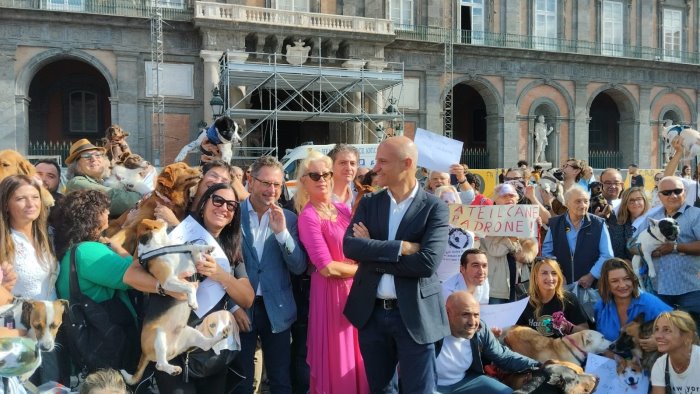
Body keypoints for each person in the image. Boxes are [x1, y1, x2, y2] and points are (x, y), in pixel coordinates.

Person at [343, 136, 449, 393]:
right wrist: (400, 247)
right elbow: (350, 247)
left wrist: (374, 255)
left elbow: (426, 263)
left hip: (415, 316)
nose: (375, 168)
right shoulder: (369, 203)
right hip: (372, 314)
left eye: (382, 161)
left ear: (407, 164)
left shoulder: (435, 207)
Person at [133, 183, 255, 393]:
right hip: (173, 345)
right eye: (218, 200)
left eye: (231, 205)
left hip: (212, 351)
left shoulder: (231, 248)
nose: (224, 208)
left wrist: (221, 275)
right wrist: (164, 287)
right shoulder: (172, 234)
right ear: (203, 203)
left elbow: (247, 298)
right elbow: (131, 275)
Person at [54, 190, 155, 372]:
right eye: (104, 210)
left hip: (94, 340)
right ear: (92, 216)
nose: (108, 213)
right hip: (107, 339)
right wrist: (118, 248)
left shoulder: (72, 250)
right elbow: (132, 275)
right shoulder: (88, 251)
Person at [232, 156, 307, 394]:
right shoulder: (231, 214)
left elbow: (298, 267)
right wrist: (232, 306)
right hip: (241, 308)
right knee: (241, 380)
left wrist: (282, 233)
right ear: (250, 181)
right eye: (265, 183)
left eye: (276, 184)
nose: (271, 190)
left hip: (278, 308)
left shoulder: (290, 219)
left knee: (280, 380)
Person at [295, 151, 368, 394]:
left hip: (355, 291)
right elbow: (326, 267)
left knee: (360, 357)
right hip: (331, 295)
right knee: (339, 359)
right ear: (303, 181)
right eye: (315, 175)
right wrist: (363, 270)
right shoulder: (308, 216)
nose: (322, 179)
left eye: (326, 173)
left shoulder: (341, 208)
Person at [0, 175, 61, 384]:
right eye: (20, 199)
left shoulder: (47, 235)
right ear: (6, 205)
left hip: (47, 332)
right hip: (17, 331)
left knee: (50, 384)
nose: (31, 204)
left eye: (35, 197)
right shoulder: (4, 242)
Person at [632, 176, 700, 332]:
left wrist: (676, 247)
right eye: (667, 192)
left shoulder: (696, 215)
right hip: (658, 290)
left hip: (690, 289)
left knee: (693, 338)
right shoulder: (652, 218)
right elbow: (632, 246)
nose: (673, 196)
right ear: (659, 195)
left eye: (677, 191)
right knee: (661, 338)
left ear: (685, 192)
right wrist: (648, 251)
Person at [436, 291, 539, 393]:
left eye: (476, 315)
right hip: (432, 386)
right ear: (447, 313)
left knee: (505, 392)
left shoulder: (480, 329)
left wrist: (540, 365)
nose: (472, 322)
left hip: (465, 381)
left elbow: (504, 356)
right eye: (465, 314)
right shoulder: (428, 334)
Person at [541, 186, 614, 287]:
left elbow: (607, 255)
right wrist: (557, 273)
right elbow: (547, 252)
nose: (583, 205)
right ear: (566, 204)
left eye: (586, 201)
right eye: (578, 201)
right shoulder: (555, 224)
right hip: (560, 284)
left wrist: (591, 276)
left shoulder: (598, 224)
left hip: (591, 286)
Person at [595, 258, 672, 343]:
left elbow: (680, 328)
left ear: (633, 279)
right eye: (615, 281)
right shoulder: (601, 306)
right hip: (610, 355)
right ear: (607, 284)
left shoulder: (649, 303)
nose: (622, 285)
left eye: (626, 278)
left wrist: (658, 342)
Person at [64, 139, 143, 217]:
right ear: (76, 166)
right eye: (86, 156)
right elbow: (120, 200)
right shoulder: (76, 183)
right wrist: (145, 196)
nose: (94, 159)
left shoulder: (106, 180)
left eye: (98, 155)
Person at [479, 183, 530, 304]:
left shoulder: (525, 218)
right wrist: (511, 240)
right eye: (504, 196)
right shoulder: (487, 219)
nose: (509, 198)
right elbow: (495, 250)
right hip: (497, 284)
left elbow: (530, 248)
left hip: (520, 279)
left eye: (512, 195)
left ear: (517, 200)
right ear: (496, 200)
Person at [516, 258, 588, 337]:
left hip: (562, 348)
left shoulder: (569, 299)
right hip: (533, 348)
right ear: (535, 277)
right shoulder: (524, 301)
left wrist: (569, 327)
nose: (550, 278)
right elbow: (514, 331)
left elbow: (586, 331)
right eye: (544, 273)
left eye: (554, 273)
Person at [650, 311, 700, 393]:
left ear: (688, 336)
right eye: (657, 329)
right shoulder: (660, 365)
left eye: (667, 330)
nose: (658, 336)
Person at [608, 187, 649, 262]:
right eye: (631, 200)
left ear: (644, 200)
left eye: (639, 199)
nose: (636, 203)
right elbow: (617, 247)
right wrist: (625, 262)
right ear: (625, 203)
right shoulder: (619, 221)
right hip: (627, 265)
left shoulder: (653, 219)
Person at [328, 143, 359, 209]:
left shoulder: (360, 199)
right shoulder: (319, 198)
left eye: (352, 163)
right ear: (330, 166)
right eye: (343, 163)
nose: (348, 168)